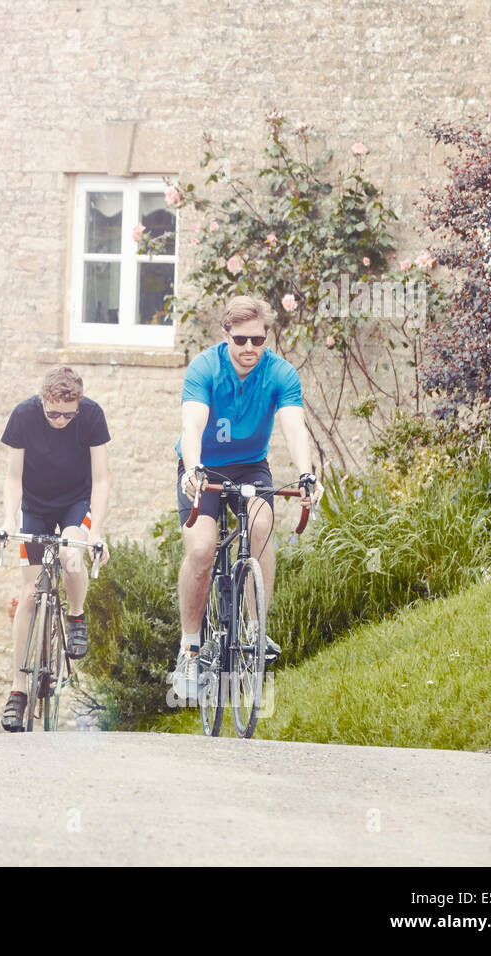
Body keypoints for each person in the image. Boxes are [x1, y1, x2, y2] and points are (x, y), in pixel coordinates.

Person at [171, 295, 323, 704]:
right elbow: (193, 422)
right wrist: (192, 469)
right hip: (203, 468)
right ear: (226, 336)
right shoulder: (205, 367)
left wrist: (307, 473)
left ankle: (255, 631)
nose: (250, 349)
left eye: (258, 339)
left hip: (251, 467)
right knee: (202, 549)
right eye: (241, 340)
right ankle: (189, 648)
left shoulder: (280, 373)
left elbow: (294, 426)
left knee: (260, 524)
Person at [0, 366, 111, 732]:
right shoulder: (24, 415)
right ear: (42, 401)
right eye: (53, 413)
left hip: (77, 502)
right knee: (28, 593)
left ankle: (75, 615)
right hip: (36, 506)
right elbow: (13, 477)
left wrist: (97, 533)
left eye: (67, 414)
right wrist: (9, 521)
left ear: (78, 403)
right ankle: (18, 691)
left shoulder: (90, 415)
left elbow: (103, 478)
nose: (60, 420)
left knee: (70, 553)